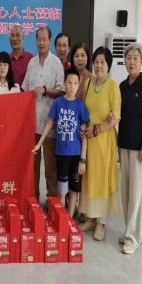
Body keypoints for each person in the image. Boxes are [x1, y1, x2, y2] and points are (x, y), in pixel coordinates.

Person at [32, 67, 89, 217]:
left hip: (76, 155)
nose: (72, 86)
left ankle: (69, 219)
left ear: (79, 85)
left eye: (75, 83)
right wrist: (38, 144)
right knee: (61, 190)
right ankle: (61, 218)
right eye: (69, 82)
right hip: (62, 154)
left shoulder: (80, 106)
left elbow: (84, 135)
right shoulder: (58, 103)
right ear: (64, 84)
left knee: (74, 190)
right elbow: (49, 124)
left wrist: (83, 160)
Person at [118, 43, 142, 255]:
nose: (131, 62)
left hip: (139, 150)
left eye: (135, 58)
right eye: (129, 58)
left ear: (141, 62)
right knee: (126, 194)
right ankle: (128, 232)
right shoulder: (122, 86)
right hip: (123, 146)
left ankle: (134, 238)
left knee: (137, 196)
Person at [79, 46, 122, 241]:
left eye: (102, 62)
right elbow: (83, 108)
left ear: (108, 65)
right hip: (88, 140)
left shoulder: (113, 87)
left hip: (104, 140)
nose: (98, 65)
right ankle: (91, 218)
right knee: (89, 178)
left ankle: (101, 223)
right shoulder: (88, 83)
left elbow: (116, 117)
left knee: (102, 179)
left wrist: (98, 129)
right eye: (96, 62)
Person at [22, 26, 65, 200]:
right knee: (33, 166)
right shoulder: (31, 63)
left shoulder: (56, 63)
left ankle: (52, 201)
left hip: (50, 124)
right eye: (38, 39)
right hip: (32, 124)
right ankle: (33, 199)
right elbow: (25, 90)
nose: (41, 42)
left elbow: (62, 91)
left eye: (44, 39)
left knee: (50, 167)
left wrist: (45, 89)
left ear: (49, 41)